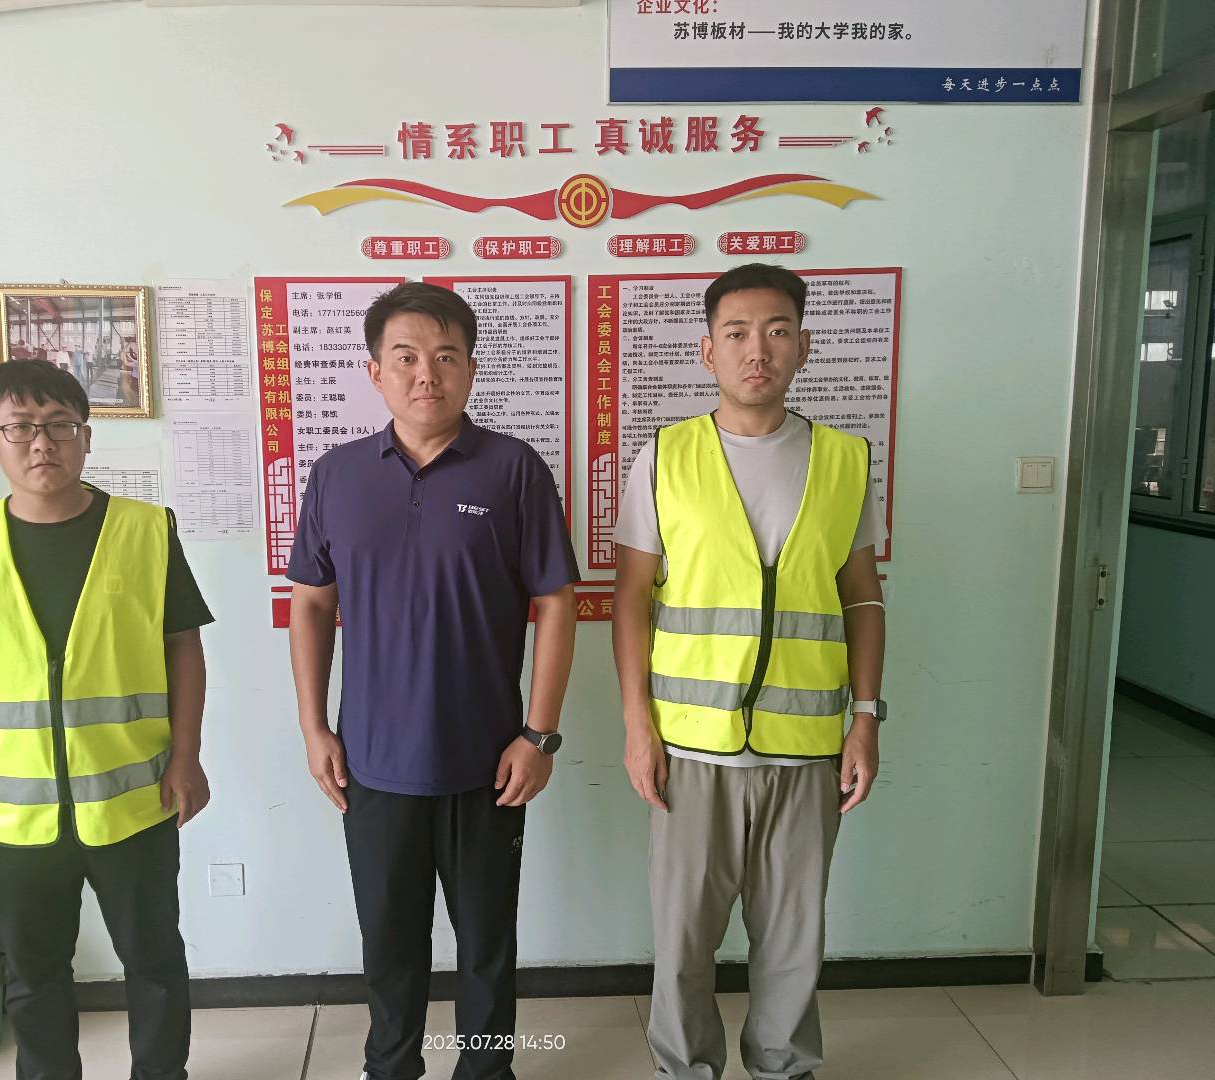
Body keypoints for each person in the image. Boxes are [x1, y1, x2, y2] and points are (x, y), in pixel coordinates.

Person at [287, 282, 578, 1080]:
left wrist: (539, 734)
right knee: (389, 946)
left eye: (446, 357)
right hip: (372, 762)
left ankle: (485, 1072)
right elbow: (311, 603)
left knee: (486, 947)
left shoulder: (514, 469)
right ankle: (391, 1069)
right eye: (407, 357)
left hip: (489, 762)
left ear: (471, 369)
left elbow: (556, 602)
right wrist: (314, 728)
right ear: (375, 371)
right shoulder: (338, 475)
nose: (427, 374)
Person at [0, 360, 214, 1080]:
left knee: (155, 963)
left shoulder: (145, 530)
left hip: (132, 804)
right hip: (15, 818)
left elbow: (183, 648)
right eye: (20, 427)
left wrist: (186, 756)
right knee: (34, 976)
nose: (42, 443)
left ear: (86, 436)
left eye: (60, 425)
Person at [612, 263, 888, 1080]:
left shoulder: (844, 461)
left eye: (776, 331)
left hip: (807, 749)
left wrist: (865, 718)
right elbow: (631, 600)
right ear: (709, 351)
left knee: (794, 946)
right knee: (682, 945)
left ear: (804, 346)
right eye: (735, 333)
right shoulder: (665, 457)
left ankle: (783, 1068)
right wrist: (637, 727)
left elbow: (862, 597)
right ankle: (685, 1070)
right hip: (691, 750)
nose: (756, 350)